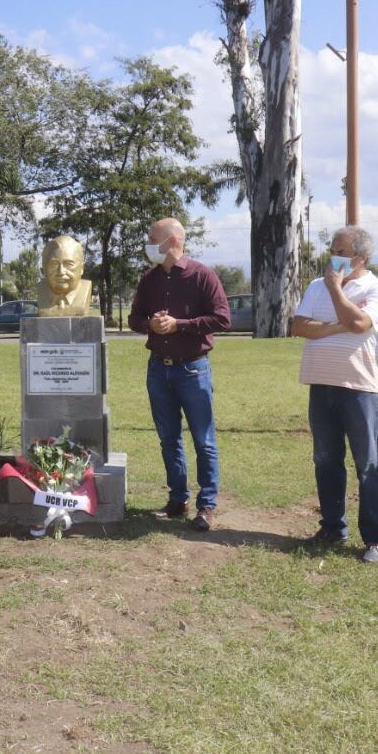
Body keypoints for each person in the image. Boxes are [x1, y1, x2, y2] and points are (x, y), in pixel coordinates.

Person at [291, 226, 378, 563]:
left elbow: (362, 325)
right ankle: (333, 527)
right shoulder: (315, 286)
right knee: (326, 460)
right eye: (332, 248)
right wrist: (338, 325)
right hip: (321, 386)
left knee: (369, 464)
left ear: (361, 257)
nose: (333, 255)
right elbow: (298, 326)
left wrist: (337, 290)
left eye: (341, 250)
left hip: (359, 389)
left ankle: (375, 539)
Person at [127, 218, 231, 531]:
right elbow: (134, 318)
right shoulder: (149, 279)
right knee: (168, 439)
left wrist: (180, 325)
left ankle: (207, 506)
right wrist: (151, 325)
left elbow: (222, 319)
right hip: (159, 368)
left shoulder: (202, 275)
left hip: (193, 369)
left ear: (173, 241)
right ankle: (177, 499)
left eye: (152, 239)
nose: (147, 245)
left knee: (204, 440)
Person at [36, 235, 93, 316]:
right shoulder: (41, 290)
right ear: (44, 269)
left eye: (68, 264)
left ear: (81, 268)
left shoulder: (85, 289)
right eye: (54, 264)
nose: (61, 271)